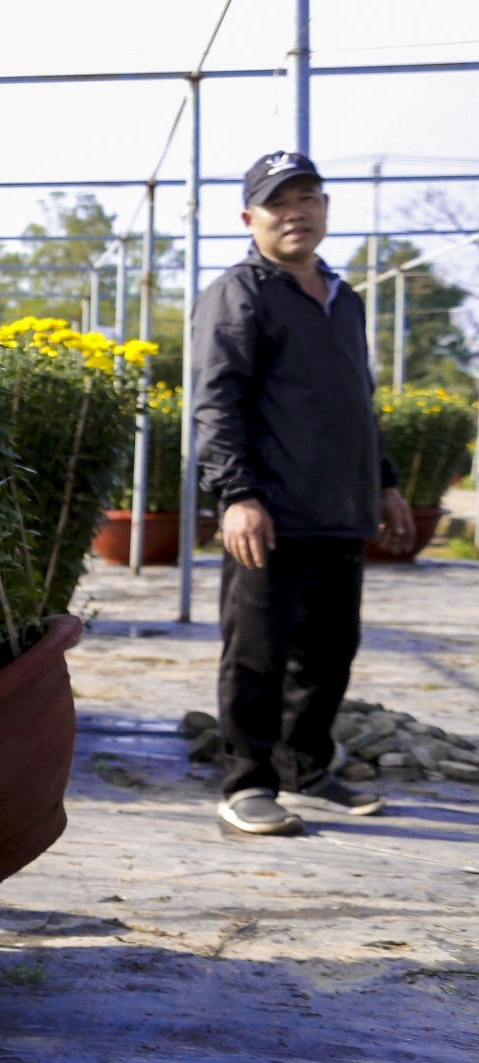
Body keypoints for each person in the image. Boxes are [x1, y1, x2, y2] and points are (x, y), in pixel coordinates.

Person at [193, 150, 414, 837]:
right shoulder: (241, 292)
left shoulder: (342, 297)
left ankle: (305, 768)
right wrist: (236, 494)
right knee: (257, 650)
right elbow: (214, 401)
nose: (295, 213)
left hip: (338, 513)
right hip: (269, 512)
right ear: (248, 218)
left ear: (323, 208)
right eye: (277, 203)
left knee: (328, 651)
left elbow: (357, 403)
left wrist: (383, 483)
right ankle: (246, 781)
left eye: (307, 199)